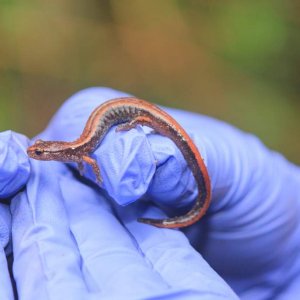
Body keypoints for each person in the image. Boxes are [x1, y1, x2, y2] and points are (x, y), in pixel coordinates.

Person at [0, 87, 299, 299]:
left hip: (146, 116)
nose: (37, 154)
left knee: (164, 152)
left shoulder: (80, 149)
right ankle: (189, 211)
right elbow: (87, 160)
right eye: (38, 152)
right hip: (136, 114)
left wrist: (131, 128)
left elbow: (91, 161)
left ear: (53, 153)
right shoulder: (79, 151)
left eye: (39, 152)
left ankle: (194, 202)